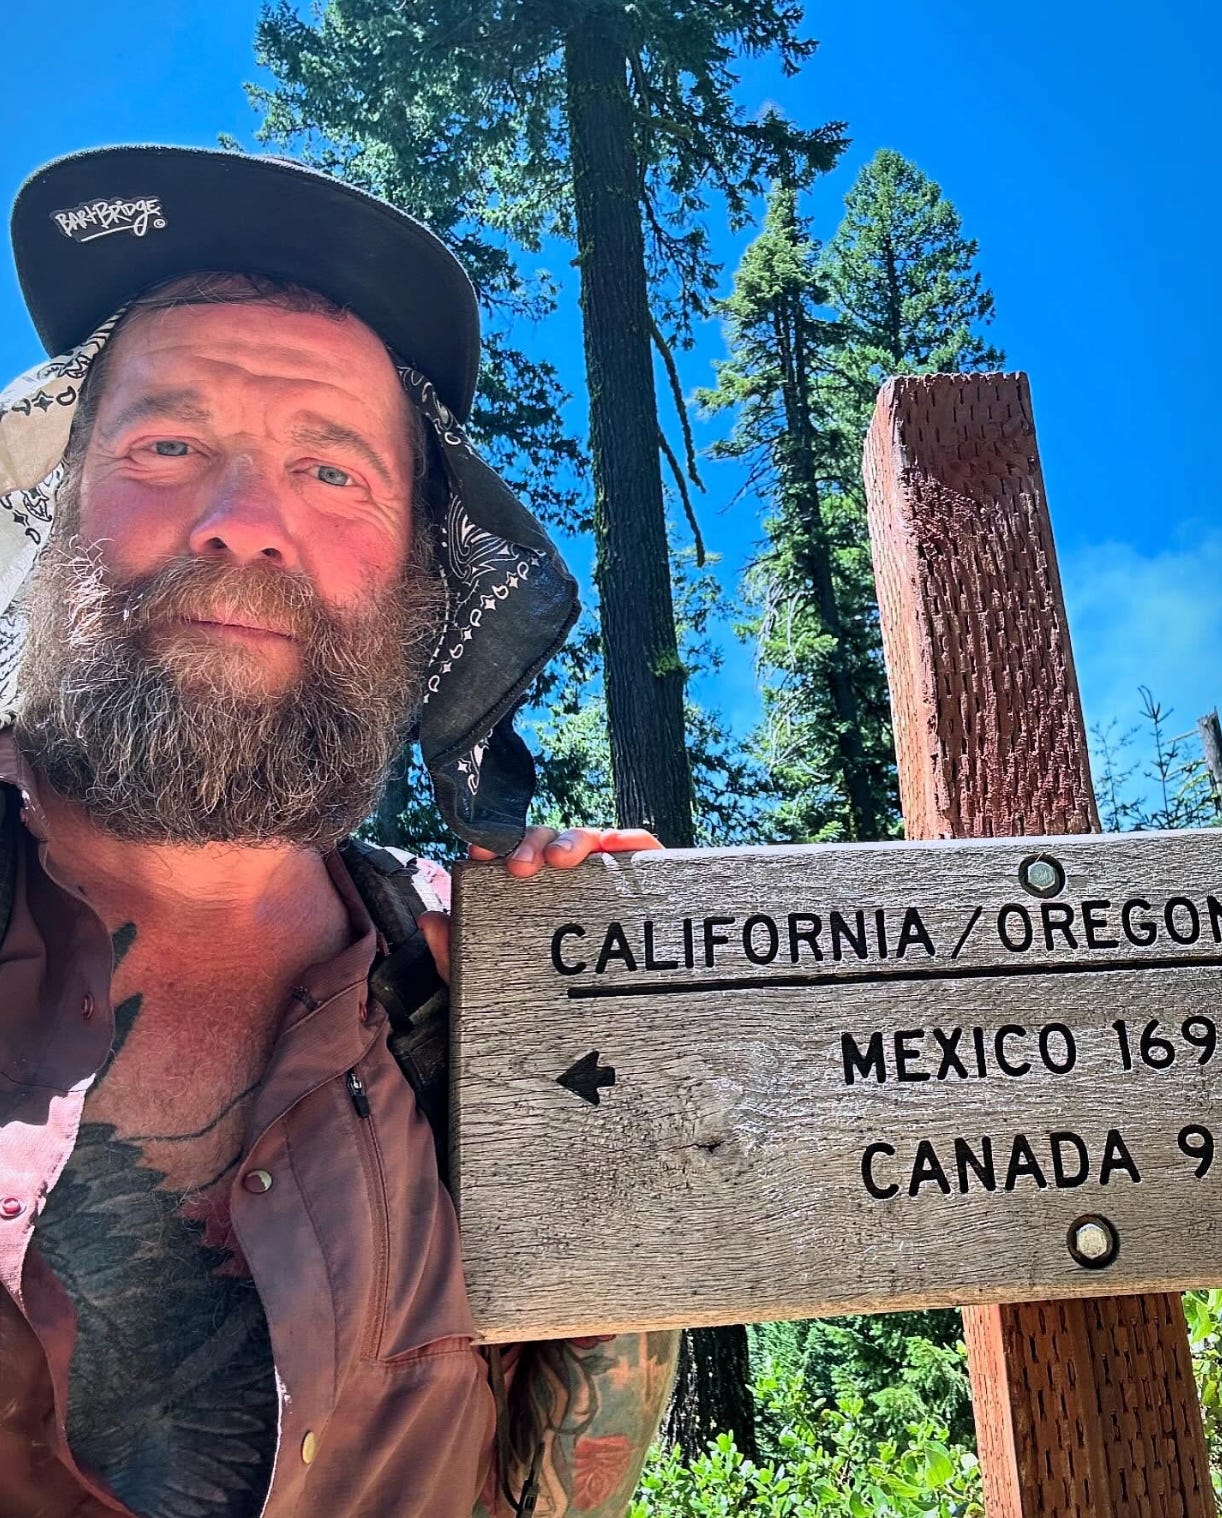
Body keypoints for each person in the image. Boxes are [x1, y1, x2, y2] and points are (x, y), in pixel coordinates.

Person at [0, 146, 679, 1518]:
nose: (245, 524)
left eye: (332, 470)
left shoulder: (473, 991)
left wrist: (583, 1001)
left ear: (423, 576)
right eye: (169, 445)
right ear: (55, 503)